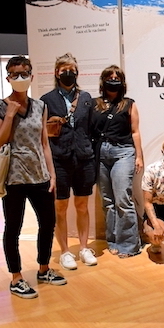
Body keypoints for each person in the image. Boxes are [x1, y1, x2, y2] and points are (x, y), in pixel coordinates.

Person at [0, 55, 66, 299]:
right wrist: (10, 115)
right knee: (13, 228)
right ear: (8, 77)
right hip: (13, 177)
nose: (20, 78)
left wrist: (52, 174)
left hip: (39, 175)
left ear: (32, 76)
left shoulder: (40, 106)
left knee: (48, 223)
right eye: (15, 74)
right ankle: (16, 278)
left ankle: (44, 268)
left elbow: (44, 143)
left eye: (24, 73)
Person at [40, 53, 97, 270]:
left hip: (83, 158)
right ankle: (64, 251)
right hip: (59, 159)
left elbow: (91, 128)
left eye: (72, 69)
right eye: (64, 70)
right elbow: (42, 134)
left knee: (82, 206)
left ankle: (83, 248)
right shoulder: (46, 100)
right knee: (60, 207)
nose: (68, 73)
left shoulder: (86, 99)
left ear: (77, 72)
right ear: (56, 73)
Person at [91, 65, 144, 258]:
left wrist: (138, 156)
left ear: (122, 82)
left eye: (117, 77)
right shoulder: (94, 104)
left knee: (123, 199)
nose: (113, 79)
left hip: (123, 152)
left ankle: (129, 245)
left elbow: (135, 131)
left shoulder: (129, 104)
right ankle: (113, 240)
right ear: (102, 81)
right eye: (109, 76)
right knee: (107, 201)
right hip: (100, 153)